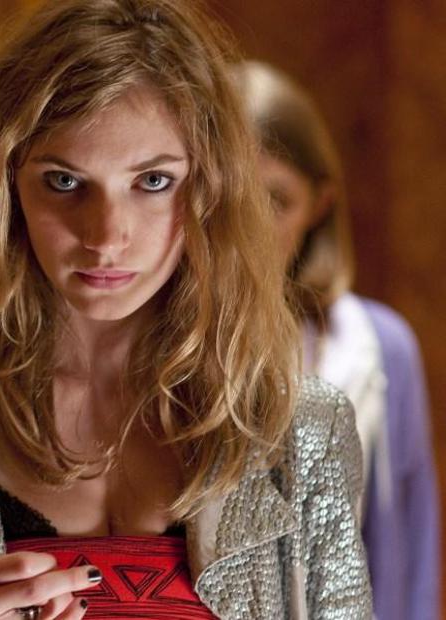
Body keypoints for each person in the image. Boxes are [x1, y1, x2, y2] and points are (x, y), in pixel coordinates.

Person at [0, 2, 371, 618]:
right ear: (2, 184)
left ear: (211, 187)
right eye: (64, 181)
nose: (106, 236)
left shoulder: (300, 430)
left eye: (152, 181)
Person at [234, 60, 440, 620]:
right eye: (229, 197)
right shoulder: (152, 340)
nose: (248, 228)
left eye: (276, 201)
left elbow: (410, 551)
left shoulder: (376, 347)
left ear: (318, 206)